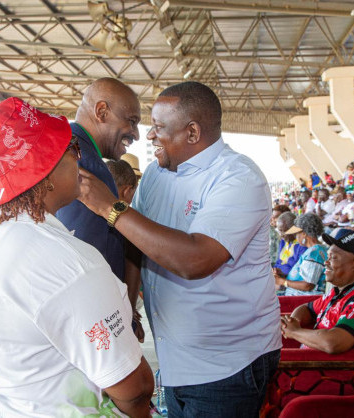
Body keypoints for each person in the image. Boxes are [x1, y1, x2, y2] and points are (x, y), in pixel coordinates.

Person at [77, 81, 281, 417]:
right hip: (174, 359)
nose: (149, 136)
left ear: (192, 132)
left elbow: (196, 259)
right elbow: (135, 244)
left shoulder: (238, 177)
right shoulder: (156, 174)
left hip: (227, 366)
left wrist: (110, 207)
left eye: (158, 127)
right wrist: (128, 312)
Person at [0, 98, 153, 417]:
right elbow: (134, 388)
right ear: (44, 170)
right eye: (72, 148)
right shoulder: (72, 265)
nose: (79, 158)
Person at [56, 77, 141, 283]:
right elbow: (86, 263)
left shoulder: (65, 146)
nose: (137, 134)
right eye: (131, 121)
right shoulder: (88, 167)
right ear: (102, 112)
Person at [281, 230, 354, 353]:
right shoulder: (340, 290)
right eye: (327, 257)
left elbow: (332, 343)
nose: (326, 262)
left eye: (333, 258)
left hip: (334, 366)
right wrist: (293, 322)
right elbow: (307, 308)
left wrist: (295, 332)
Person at [274, 213, 328, 296]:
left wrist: (282, 281)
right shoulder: (313, 250)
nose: (296, 237)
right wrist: (282, 274)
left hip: (302, 299)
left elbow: (308, 285)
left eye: (296, 234)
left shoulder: (315, 253)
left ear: (304, 233)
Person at [273, 211, 307, 276]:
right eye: (280, 231)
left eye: (283, 231)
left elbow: (298, 272)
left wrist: (282, 272)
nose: (281, 235)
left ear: (293, 229)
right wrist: (274, 270)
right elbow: (278, 261)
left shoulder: (302, 246)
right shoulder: (283, 241)